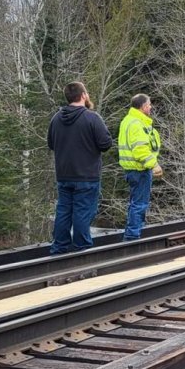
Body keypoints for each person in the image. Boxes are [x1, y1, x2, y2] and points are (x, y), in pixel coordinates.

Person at [47, 82, 114, 254]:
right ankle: (81, 249)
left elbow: (51, 144)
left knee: (63, 211)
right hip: (86, 175)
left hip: (63, 175)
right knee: (83, 213)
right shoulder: (92, 118)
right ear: (83, 95)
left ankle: (59, 247)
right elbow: (106, 143)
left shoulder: (56, 119)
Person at [118, 93, 163, 241]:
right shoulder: (137, 124)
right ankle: (132, 237)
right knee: (139, 204)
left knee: (135, 203)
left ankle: (132, 234)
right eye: (149, 104)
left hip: (132, 170)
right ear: (143, 106)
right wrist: (154, 165)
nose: (151, 107)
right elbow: (140, 150)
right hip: (140, 170)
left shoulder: (128, 121)